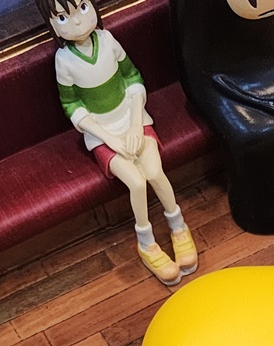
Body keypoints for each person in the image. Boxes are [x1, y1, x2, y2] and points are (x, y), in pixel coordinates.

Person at [37, 0, 198, 285]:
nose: (77, 22)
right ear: (51, 24)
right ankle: (146, 242)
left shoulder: (108, 40)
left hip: (133, 118)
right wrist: (109, 138)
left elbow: (133, 77)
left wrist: (136, 122)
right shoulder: (64, 61)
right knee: (136, 182)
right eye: (62, 17)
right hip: (101, 134)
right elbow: (71, 105)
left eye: (82, 8)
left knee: (155, 172)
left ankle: (178, 225)